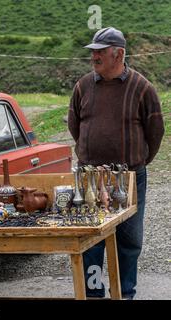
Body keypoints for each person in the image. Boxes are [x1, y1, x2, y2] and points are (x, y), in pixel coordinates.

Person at [68, 27, 164, 299]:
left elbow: (155, 131)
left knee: (129, 240)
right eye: (93, 52)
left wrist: (138, 163)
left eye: (100, 52)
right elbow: (75, 124)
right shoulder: (83, 85)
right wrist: (91, 154)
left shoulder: (142, 87)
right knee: (91, 240)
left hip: (130, 176)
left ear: (119, 54)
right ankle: (94, 294)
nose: (94, 57)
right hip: (90, 177)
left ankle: (124, 294)